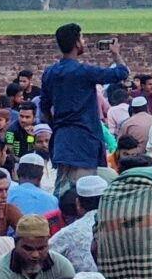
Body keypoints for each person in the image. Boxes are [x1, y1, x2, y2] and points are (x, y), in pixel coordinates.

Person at [37, 22, 127, 178]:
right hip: (86, 140)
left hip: (62, 141)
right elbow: (121, 72)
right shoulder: (84, 72)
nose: (84, 42)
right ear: (77, 43)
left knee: (64, 187)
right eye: (82, 39)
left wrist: (57, 125)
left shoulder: (49, 73)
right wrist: (115, 54)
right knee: (86, 188)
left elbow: (44, 107)